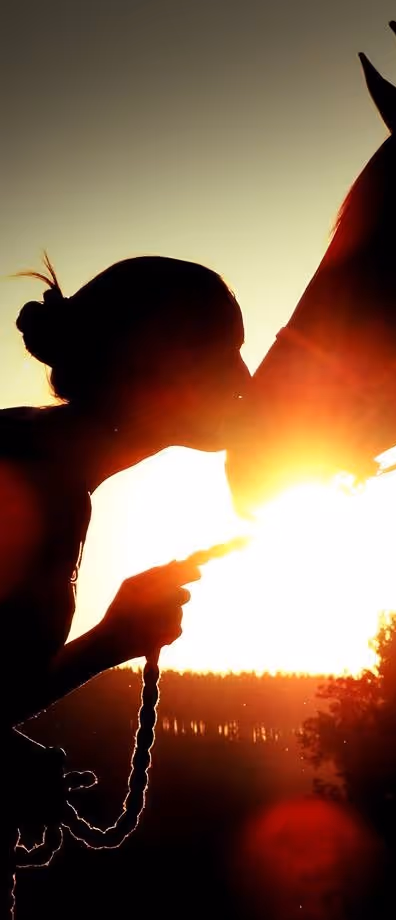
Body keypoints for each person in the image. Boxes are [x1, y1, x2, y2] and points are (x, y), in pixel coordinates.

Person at [1, 255, 250, 802]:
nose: (245, 379)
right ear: (144, 366)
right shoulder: (31, 487)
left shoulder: (36, 457)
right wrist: (107, 643)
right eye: (218, 354)